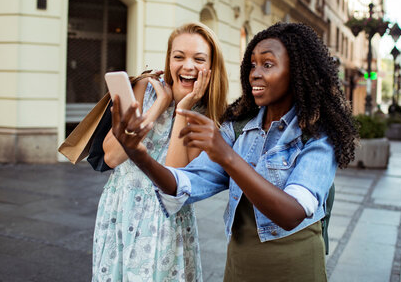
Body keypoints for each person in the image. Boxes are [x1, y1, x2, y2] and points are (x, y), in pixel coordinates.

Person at [111, 22, 358, 281]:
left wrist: (227, 157)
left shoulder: (317, 136)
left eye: (268, 64)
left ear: (296, 72)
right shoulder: (239, 127)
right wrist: (140, 156)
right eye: (252, 65)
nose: (255, 73)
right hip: (241, 262)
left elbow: (291, 213)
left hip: (293, 264)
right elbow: (185, 184)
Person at [92, 22, 228, 281]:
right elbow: (111, 156)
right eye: (179, 57)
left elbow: (173, 180)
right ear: (169, 60)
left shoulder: (206, 118)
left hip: (165, 222)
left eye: (198, 59)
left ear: (211, 69)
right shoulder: (144, 88)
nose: (187, 66)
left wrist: (181, 110)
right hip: (120, 209)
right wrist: (157, 108)